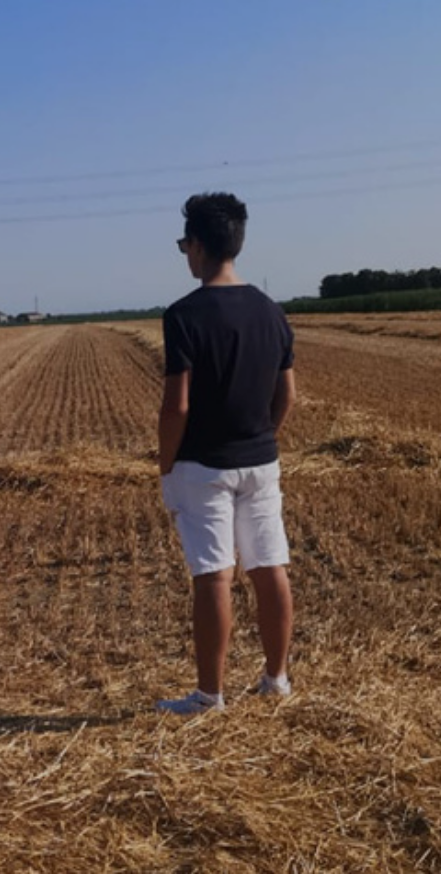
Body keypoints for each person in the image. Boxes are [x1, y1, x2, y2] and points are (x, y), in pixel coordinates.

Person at [154, 192, 296, 716]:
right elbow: (287, 394)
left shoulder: (183, 316)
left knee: (214, 575)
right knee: (269, 566)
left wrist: (165, 463)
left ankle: (209, 696)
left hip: (203, 466)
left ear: (197, 245)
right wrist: (262, 437)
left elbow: (177, 406)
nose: (184, 255)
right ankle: (276, 679)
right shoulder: (271, 311)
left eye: (183, 245)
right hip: (261, 461)